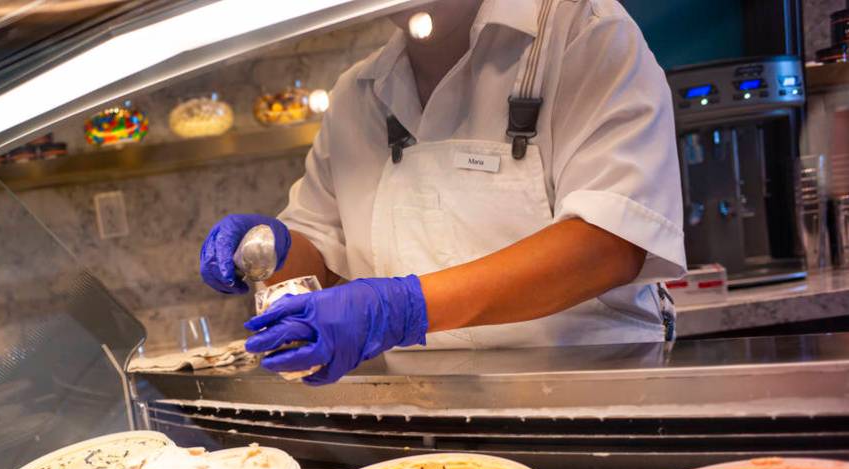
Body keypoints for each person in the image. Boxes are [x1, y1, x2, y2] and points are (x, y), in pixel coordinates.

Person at [198, 0, 685, 385]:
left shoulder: (583, 30)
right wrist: (267, 248)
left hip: (592, 396)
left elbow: (608, 245)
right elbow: (320, 262)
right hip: (425, 412)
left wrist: (400, 309)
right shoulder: (357, 94)